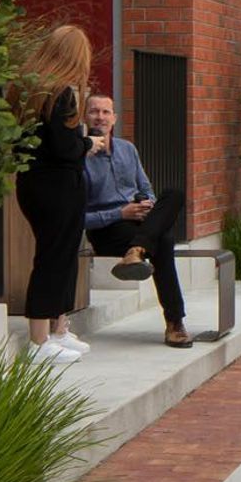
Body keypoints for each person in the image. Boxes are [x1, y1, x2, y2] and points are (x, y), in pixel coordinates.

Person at [13, 25, 96, 363]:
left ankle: (58, 327)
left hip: (35, 183)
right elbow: (65, 148)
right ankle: (39, 339)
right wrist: (89, 142)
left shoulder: (29, 90)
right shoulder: (60, 93)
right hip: (59, 185)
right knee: (53, 258)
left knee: (59, 255)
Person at [82, 93, 189, 348]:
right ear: (85, 117)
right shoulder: (79, 159)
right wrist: (121, 213)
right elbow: (78, 218)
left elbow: (147, 188)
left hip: (140, 223)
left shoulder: (128, 149)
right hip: (108, 228)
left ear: (114, 118)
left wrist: (145, 205)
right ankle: (175, 323)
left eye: (106, 112)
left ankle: (137, 250)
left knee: (174, 193)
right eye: (94, 111)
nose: (100, 117)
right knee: (163, 241)